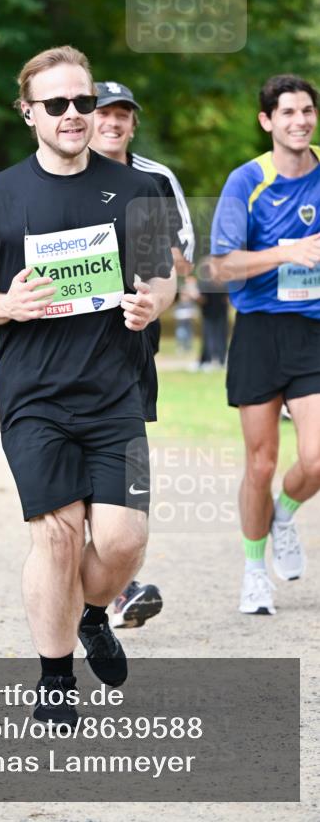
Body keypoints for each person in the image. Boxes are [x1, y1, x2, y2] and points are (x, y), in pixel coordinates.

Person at [0, 46, 175, 724]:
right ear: (29, 113)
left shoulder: (138, 190)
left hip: (116, 391)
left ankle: (94, 613)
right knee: (56, 535)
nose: (74, 114)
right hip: (34, 395)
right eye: (57, 104)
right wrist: (6, 305)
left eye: (83, 101)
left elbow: (160, 274)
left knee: (122, 542)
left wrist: (150, 305)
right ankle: (53, 679)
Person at [210, 74, 320, 615]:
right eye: (288, 113)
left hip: (313, 330)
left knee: (318, 456)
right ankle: (255, 572)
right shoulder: (247, 180)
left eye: (307, 111)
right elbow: (222, 264)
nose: (299, 121)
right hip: (257, 331)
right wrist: (286, 252)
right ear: (267, 121)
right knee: (259, 463)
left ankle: (283, 513)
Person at [90, 80, 195, 628]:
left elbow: (180, 255)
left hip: (132, 344)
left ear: (133, 123)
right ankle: (115, 590)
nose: (112, 122)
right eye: (102, 112)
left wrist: (151, 286)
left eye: (121, 114)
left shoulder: (155, 179)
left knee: (121, 462)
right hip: (66, 346)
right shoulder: (61, 175)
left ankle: (115, 578)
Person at [196, 257, 229, 368]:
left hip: (220, 313)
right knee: (210, 336)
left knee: (219, 335)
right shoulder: (205, 282)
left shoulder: (223, 282)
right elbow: (202, 299)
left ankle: (218, 359)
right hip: (209, 313)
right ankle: (210, 359)